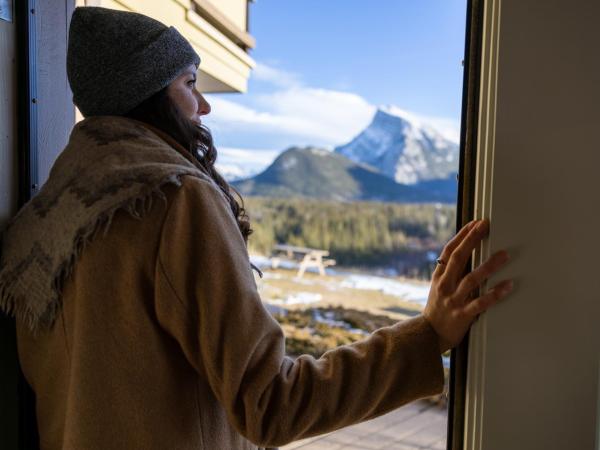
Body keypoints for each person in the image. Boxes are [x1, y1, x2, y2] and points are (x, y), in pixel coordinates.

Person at [0, 7, 513, 450]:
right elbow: (270, 402)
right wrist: (426, 338)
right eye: (189, 83)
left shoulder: (43, 218)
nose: (204, 106)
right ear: (149, 93)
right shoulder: (173, 201)